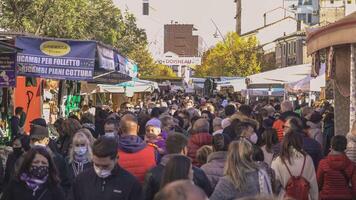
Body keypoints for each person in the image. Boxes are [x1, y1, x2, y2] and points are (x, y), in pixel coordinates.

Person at [68, 137, 143, 200]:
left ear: (116, 159)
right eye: (96, 165)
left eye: (105, 166)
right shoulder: (81, 180)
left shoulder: (130, 183)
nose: (100, 170)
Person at [143, 133, 213, 200]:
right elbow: (208, 194)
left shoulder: (153, 173)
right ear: (184, 150)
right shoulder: (197, 173)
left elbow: (146, 196)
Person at [271, 131, 318, 200]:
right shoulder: (307, 159)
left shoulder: (277, 161)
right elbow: (313, 184)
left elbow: (274, 186)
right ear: (300, 142)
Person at [29, 125, 70, 194]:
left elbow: (65, 184)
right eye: (33, 140)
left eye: (39, 141)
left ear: (47, 141)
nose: (35, 144)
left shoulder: (57, 160)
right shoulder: (24, 159)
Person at [117, 114, 156, 184]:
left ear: (119, 130)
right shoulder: (152, 150)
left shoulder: (112, 152)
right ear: (138, 128)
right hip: (144, 193)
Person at [317, 135, 356, 200]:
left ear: (331, 147)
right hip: (346, 197)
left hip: (326, 197)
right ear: (345, 148)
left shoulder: (323, 163)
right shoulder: (352, 165)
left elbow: (318, 184)